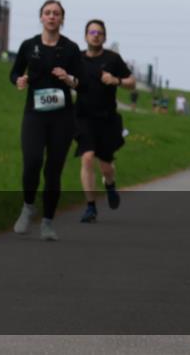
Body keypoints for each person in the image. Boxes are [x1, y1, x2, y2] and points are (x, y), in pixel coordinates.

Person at [9, 0, 82, 241]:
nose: (52, 17)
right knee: (32, 161)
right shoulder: (29, 46)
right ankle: (28, 206)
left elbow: (81, 81)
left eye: (56, 13)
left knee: (53, 171)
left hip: (62, 117)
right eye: (48, 13)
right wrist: (19, 80)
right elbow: (14, 72)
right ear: (41, 17)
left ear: (62, 19)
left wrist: (69, 78)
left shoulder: (70, 48)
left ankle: (48, 222)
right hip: (34, 114)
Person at [73, 19, 134, 224]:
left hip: (107, 119)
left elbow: (131, 82)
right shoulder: (77, 59)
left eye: (99, 32)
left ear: (104, 37)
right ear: (85, 36)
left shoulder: (113, 59)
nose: (95, 35)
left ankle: (110, 185)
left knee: (106, 166)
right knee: (87, 157)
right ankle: (90, 207)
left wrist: (116, 80)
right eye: (91, 32)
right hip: (83, 117)